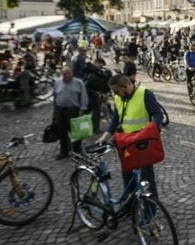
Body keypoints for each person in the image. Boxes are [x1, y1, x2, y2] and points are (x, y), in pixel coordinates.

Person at [97, 74, 163, 202]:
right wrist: (105, 137)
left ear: (126, 86)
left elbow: (157, 114)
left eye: (117, 91)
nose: (115, 94)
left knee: (146, 178)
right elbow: (116, 120)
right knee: (127, 175)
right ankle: (129, 204)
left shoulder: (145, 94)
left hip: (143, 143)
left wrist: (153, 128)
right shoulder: (118, 98)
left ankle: (150, 207)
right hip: (125, 143)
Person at [53, 66, 89, 160]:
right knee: (62, 132)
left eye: (69, 73)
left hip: (73, 110)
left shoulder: (79, 83)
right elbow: (55, 97)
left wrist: (82, 108)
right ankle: (64, 151)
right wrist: (54, 111)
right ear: (62, 74)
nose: (67, 76)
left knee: (76, 132)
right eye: (65, 74)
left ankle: (77, 151)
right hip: (60, 110)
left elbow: (83, 96)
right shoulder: (57, 83)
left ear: (72, 73)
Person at [83, 58, 112, 133]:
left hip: (89, 93)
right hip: (93, 93)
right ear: (97, 62)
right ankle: (95, 129)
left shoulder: (89, 69)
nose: (101, 67)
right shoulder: (94, 71)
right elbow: (93, 83)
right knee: (96, 111)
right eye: (100, 65)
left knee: (88, 109)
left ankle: (80, 123)